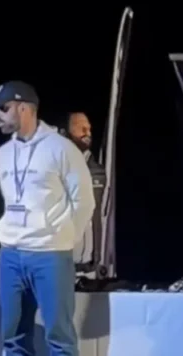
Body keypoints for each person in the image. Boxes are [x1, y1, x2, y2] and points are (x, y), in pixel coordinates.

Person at [0, 82, 95, 356]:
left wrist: (64, 238)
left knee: (59, 332)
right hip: (11, 253)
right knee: (13, 333)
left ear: (23, 108)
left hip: (50, 254)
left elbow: (84, 201)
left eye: (3, 108)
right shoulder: (3, 154)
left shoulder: (61, 148)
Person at [63, 111, 109, 281]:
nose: (87, 132)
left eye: (88, 128)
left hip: (90, 269)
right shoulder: (53, 169)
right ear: (65, 132)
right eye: (80, 127)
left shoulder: (99, 172)